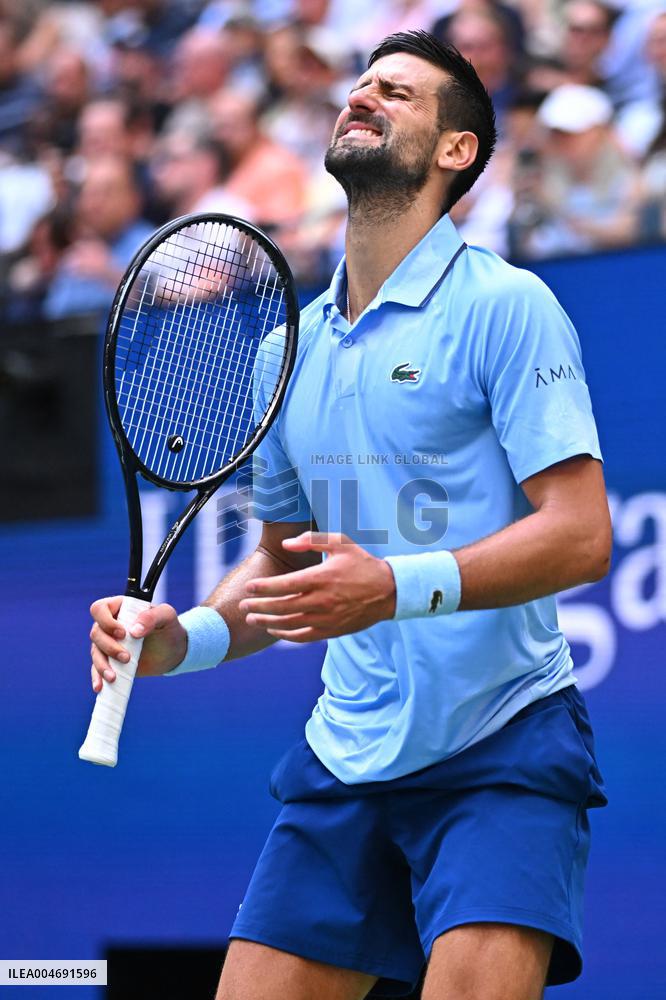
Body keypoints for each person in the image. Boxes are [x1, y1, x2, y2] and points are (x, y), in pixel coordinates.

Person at [89, 30, 610, 1000]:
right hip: (345, 754)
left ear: (457, 150)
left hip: (498, 740)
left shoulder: (508, 306)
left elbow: (582, 534)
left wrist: (394, 588)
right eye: (362, 84)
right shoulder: (285, 354)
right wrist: (180, 639)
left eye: (399, 93)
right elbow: (283, 567)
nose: (364, 96)